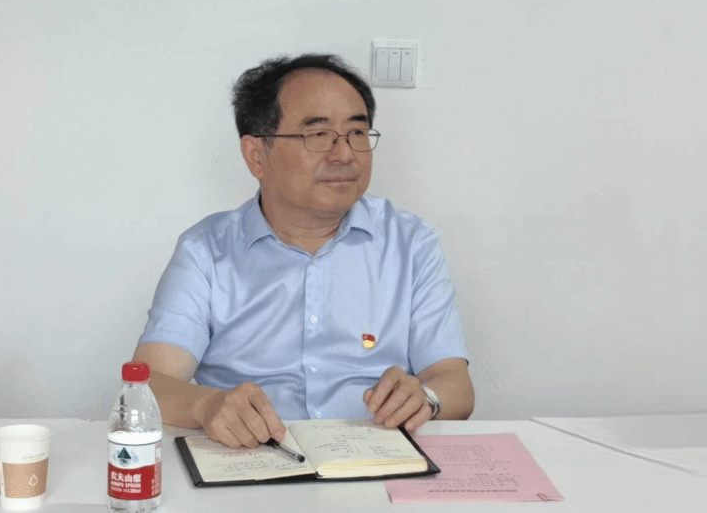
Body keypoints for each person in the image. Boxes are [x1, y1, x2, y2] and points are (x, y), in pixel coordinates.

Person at [133, 53, 474, 449]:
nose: (344, 154)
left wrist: (427, 399)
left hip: (378, 458)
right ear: (256, 155)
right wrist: (207, 406)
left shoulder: (411, 243)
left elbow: (455, 384)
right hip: (251, 458)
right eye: (318, 134)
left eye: (357, 133)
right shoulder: (206, 251)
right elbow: (149, 384)